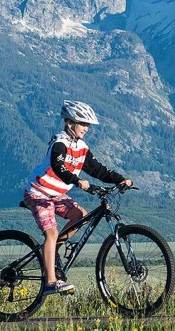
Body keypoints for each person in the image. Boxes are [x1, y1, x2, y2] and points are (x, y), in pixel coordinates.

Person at [23, 100, 133, 294]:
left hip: (56, 194)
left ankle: (51, 252)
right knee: (52, 233)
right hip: (38, 193)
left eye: (88, 124)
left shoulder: (81, 147)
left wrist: (120, 179)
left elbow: (97, 170)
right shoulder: (60, 142)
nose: (87, 128)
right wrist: (77, 180)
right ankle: (50, 282)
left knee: (80, 215)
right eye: (83, 123)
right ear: (70, 123)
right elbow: (59, 166)